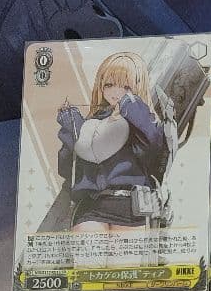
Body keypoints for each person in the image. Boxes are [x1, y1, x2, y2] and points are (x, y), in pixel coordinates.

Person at [56, 50, 165, 232]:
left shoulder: (141, 119)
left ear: (138, 87)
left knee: (125, 251)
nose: (116, 92)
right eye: (109, 84)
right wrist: (71, 126)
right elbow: (67, 168)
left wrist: (130, 106)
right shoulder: (90, 124)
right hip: (91, 205)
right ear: (101, 86)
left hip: (130, 205)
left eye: (126, 87)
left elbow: (152, 146)